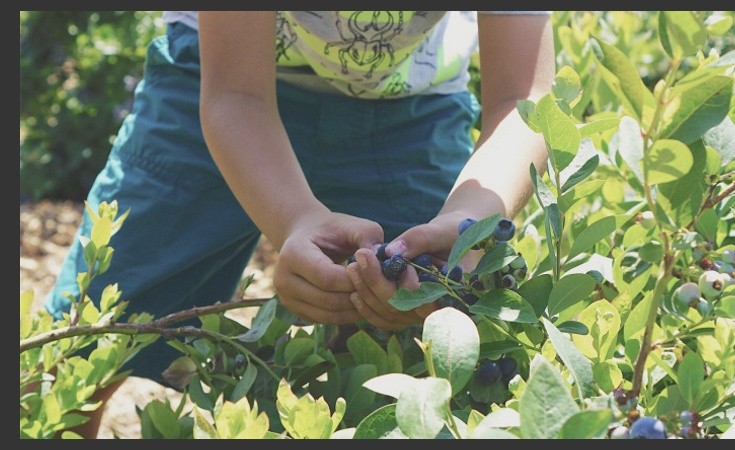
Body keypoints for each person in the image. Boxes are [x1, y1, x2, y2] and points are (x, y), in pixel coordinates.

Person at [44, 10, 554, 437]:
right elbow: (236, 95)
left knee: (417, 372)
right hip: (217, 82)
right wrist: (293, 219)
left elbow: (524, 98)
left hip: (410, 107)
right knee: (71, 363)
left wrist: (468, 222)